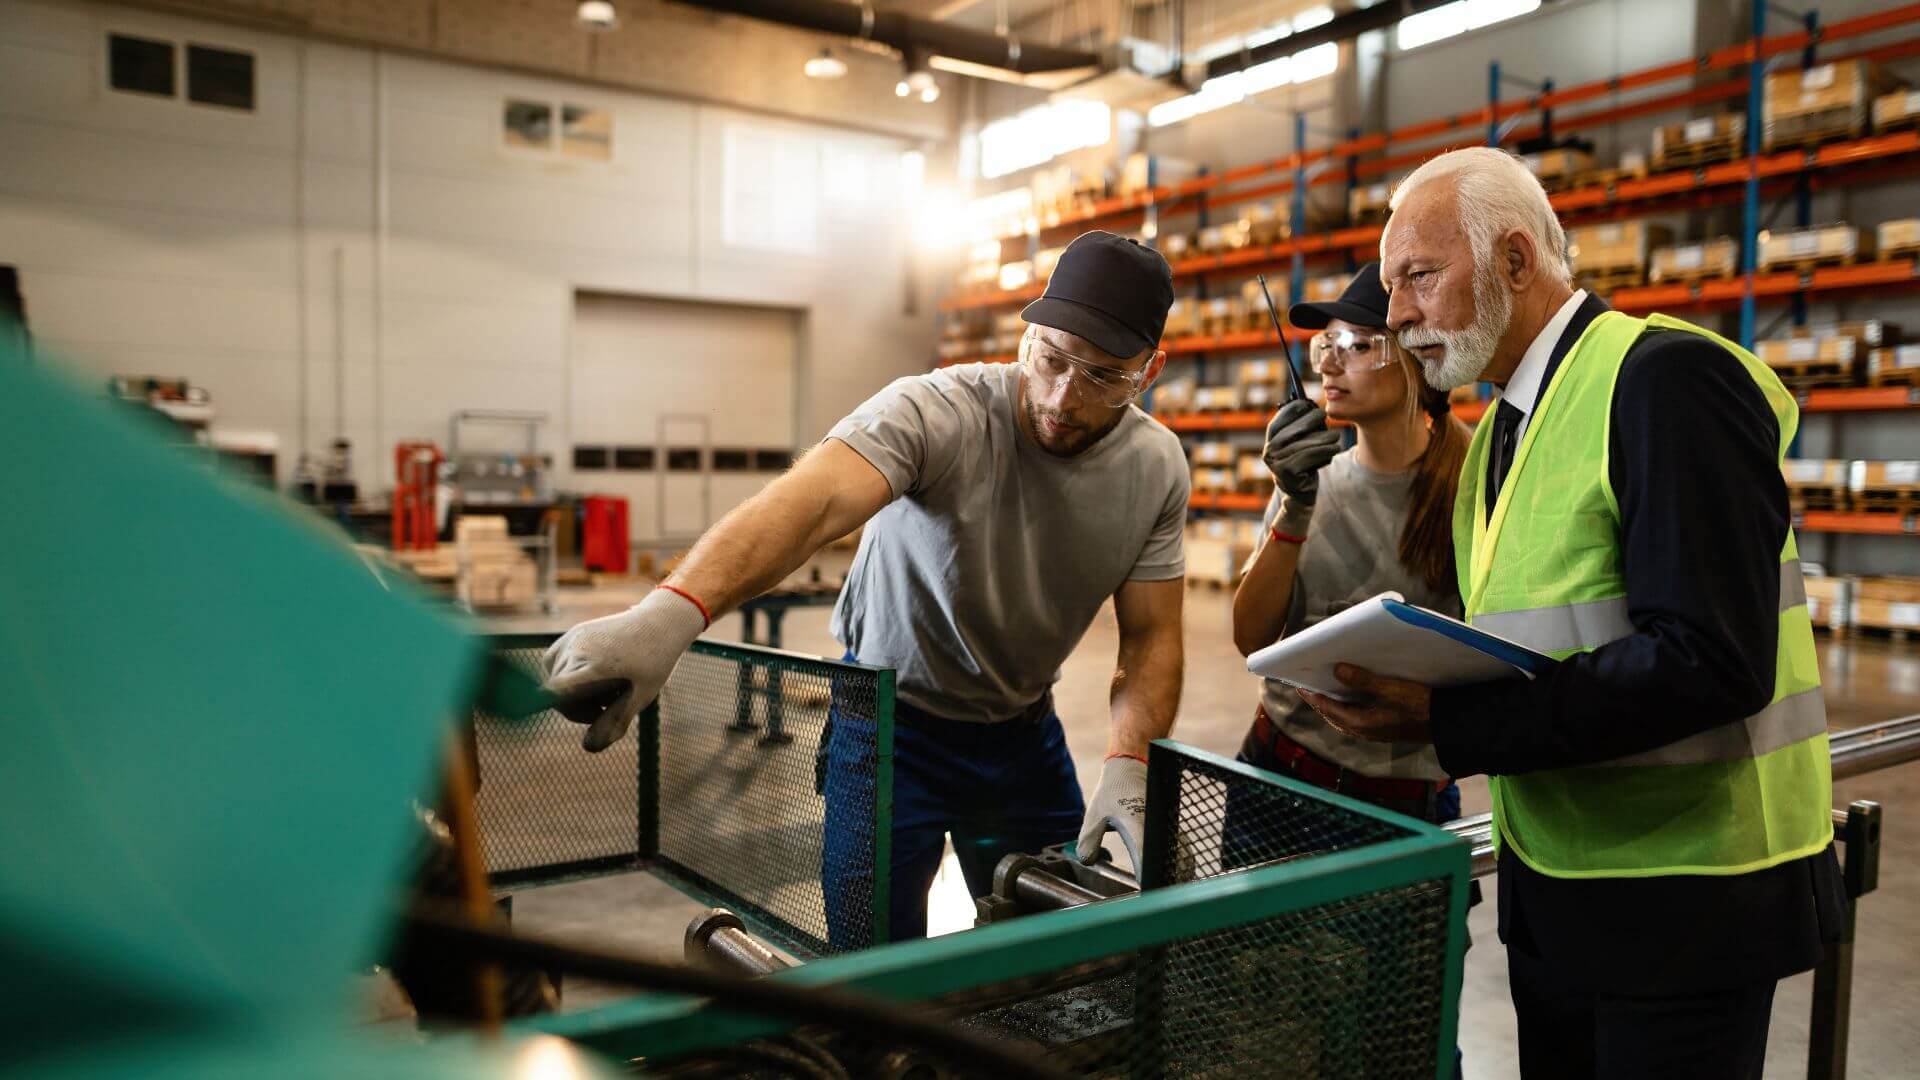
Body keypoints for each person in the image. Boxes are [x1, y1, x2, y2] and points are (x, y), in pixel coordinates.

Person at [1299, 146, 1843, 1079]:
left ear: (1516, 260)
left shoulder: (1662, 380)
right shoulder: (1506, 426)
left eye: (1419, 276)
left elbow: (1713, 658)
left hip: (1685, 903)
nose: (1394, 314)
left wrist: (1452, 720)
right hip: (1561, 889)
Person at [541, 230, 1189, 942]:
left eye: (1101, 376)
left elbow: (1153, 633)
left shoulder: (1155, 469)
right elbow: (814, 500)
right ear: (1025, 334)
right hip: (887, 725)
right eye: (1052, 358)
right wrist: (671, 613)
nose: (1063, 395)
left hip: (1020, 737)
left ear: (1149, 372)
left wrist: (1130, 761)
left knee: (1056, 953)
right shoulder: (939, 411)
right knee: (870, 958)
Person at [1231, 262, 1470, 824]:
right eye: (1325, 345)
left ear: (1416, 358)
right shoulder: (1312, 484)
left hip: (1409, 807)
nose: (1330, 363)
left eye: (1358, 345)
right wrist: (1294, 506)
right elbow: (1250, 638)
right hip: (1283, 786)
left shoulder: (1470, 486)